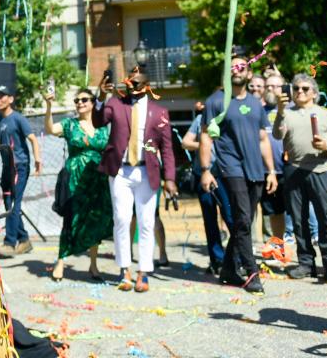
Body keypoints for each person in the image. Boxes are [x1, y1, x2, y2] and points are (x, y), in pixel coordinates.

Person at [199, 55, 278, 294]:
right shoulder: (216, 101)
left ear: (249, 72)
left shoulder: (255, 103)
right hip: (230, 168)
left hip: (256, 170)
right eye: (232, 67)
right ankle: (251, 272)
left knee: (245, 220)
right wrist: (204, 170)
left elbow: (263, 139)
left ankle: (227, 271)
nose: (237, 70)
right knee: (243, 218)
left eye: (241, 66)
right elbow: (205, 135)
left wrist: (271, 171)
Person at [94, 69, 177, 294]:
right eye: (130, 82)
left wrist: (170, 178)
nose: (133, 86)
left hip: (146, 172)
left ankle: (144, 271)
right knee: (121, 218)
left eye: (138, 83)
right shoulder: (116, 103)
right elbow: (98, 121)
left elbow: (167, 148)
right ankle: (124, 270)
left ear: (147, 85)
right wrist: (100, 97)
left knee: (147, 221)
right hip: (120, 171)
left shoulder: (159, 112)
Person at [272, 74, 327, 281]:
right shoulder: (286, 113)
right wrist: (279, 111)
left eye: (304, 88)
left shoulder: (326, 116)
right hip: (294, 170)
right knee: (298, 220)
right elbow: (277, 135)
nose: (299, 92)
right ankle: (305, 264)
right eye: (296, 88)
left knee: (325, 219)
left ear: (314, 92)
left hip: (320, 171)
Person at [44, 88, 112, 281]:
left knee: (95, 220)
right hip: (75, 178)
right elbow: (50, 129)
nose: (80, 103)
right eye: (77, 100)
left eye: (84, 99)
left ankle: (93, 265)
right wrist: (49, 106)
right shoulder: (70, 124)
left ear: (92, 103)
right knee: (70, 219)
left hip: (97, 178)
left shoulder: (102, 126)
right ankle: (60, 262)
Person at [180, 101, 234, 275]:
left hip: (226, 176)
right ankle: (216, 260)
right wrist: (204, 144)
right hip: (203, 175)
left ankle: (237, 259)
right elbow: (185, 142)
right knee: (210, 220)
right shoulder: (201, 120)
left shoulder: (231, 118)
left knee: (231, 219)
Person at [0, 85, 42, 257]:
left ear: (10, 99)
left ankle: (10, 243)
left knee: (13, 204)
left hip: (20, 165)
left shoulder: (18, 118)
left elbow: (33, 139)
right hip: (7, 168)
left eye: (2, 96)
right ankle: (24, 240)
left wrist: (37, 159)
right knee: (7, 203)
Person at [260, 74, 287, 241]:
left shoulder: (291, 108)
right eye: (268, 86)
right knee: (273, 212)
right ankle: (278, 246)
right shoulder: (257, 111)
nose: (270, 89)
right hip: (264, 170)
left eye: (275, 86)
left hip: (288, 168)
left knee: (294, 210)